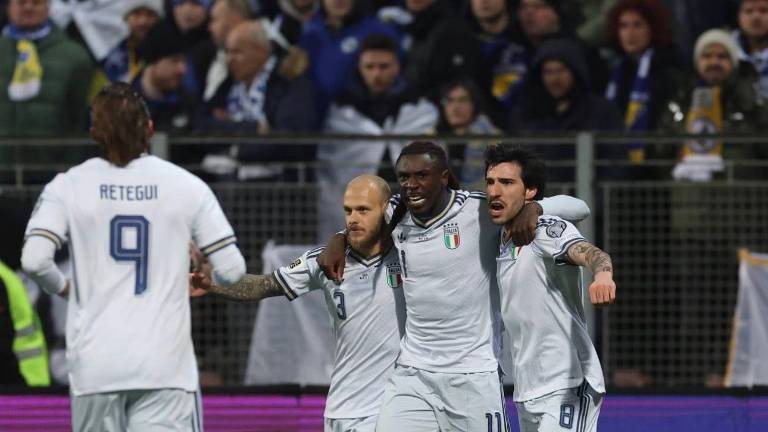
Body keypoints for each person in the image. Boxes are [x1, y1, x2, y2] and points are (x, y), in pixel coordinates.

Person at [318, 140, 590, 432]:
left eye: (421, 176)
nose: (411, 184)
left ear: (443, 177)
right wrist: (338, 240)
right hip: (413, 373)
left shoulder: (479, 211)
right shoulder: (396, 214)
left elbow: (580, 207)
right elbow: (362, 221)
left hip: (472, 375)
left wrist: (536, 206)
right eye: (404, 177)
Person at [20, 82, 246, 431]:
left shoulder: (67, 185)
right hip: (165, 368)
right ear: (150, 129)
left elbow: (34, 261)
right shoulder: (187, 185)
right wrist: (205, 274)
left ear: (95, 132)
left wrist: (65, 288)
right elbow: (232, 271)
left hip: (96, 367)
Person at [190, 175, 406, 432]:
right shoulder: (322, 261)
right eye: (348, 210)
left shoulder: (411, 255)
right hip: (344, 407)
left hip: (396, 405)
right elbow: (264, 285)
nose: (353, 218)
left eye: (363, 210)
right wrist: (211, 279)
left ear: (384, 209)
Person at [484, 144, 615, 432]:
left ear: (529, 191)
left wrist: (603, 275)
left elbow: (591, 252)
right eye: (490, 182)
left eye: (506, 183)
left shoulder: (543, 228)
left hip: (568, 381)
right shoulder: (500, 241)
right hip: (527, 390)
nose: (495, 190)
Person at [317, 34, 437, 239]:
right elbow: (331, 158)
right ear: (359, 68)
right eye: (370, 67)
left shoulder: (418, 107)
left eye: (384, 66)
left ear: (397, 67)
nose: (376, 74)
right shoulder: (342, 109)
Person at [662, 29, 768, 181]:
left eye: (722, 56)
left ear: (733, 63)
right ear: (697, 62)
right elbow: (662, 154)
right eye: (707, 56)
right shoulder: (679, 103)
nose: (714, 62)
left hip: (741, 198)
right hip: (689, 199)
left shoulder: (753, 105)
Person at [733, 0, 768, 100]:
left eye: (764, 10)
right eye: (749, 11)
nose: (756, 17)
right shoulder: (722, 53)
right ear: (739, 17)